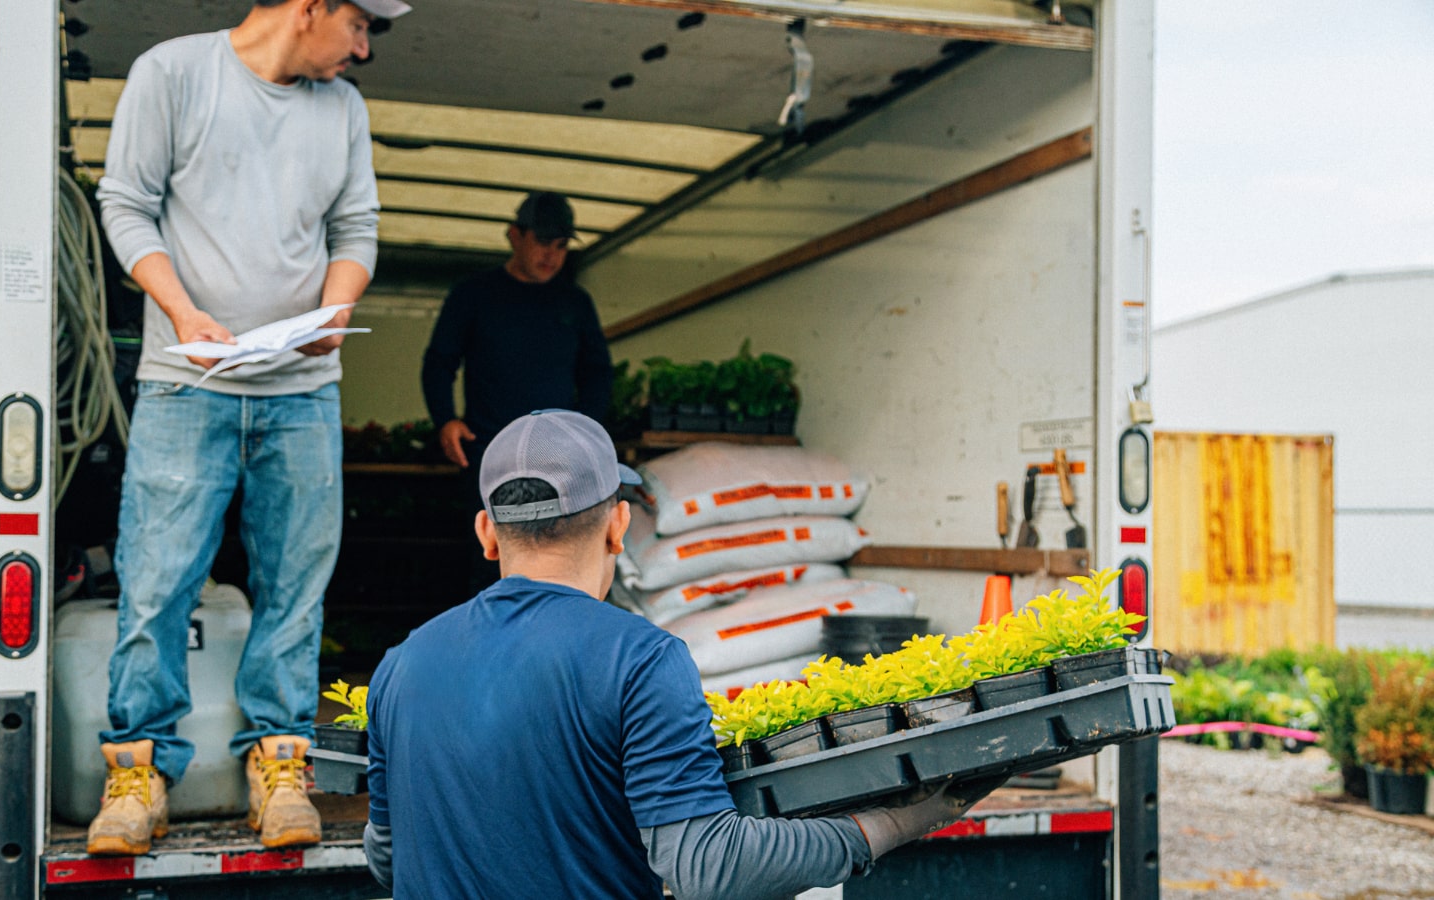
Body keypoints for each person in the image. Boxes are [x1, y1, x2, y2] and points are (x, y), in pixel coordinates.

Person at [362, 410, 1001, 898]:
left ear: (486, 534)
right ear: (617, 524)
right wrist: (894, 824)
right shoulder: (638, 660)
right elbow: (706, 867)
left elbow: (387, 857)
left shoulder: (401, 665)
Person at [84, 0, 411, 857]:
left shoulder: (341, 108)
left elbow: (356, 228)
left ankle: (280, 766)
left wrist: (335, 309)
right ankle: (137, 774)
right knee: (156, 585)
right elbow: (124, 206)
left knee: (296, 592)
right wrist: (184, 315)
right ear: (312, 8)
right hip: (185, 384)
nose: (366, 48)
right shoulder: (174, 73)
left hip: (304, 389)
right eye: (362, 25)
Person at [419, 192, 615, 506]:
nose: (552, 255)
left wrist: (584, 432)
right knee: (490, 551)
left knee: (555, 550)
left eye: (561, 245)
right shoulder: (472, 295)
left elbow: (598, 373)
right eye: (543, 242)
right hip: (488, 454)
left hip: (559, 458)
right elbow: (439, 363)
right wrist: (445, 420)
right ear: (515, 236)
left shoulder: (576, 302)